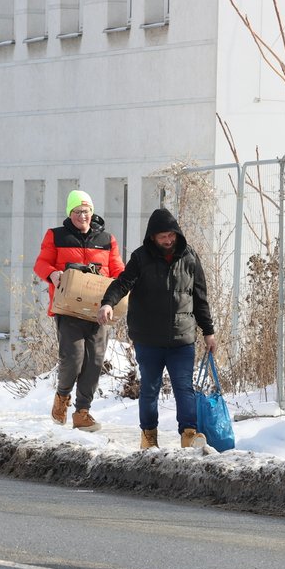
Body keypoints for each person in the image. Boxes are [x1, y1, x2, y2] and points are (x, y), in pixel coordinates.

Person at [98, 208, 216, 449]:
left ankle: (189, 434)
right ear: (152, 237)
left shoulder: (189, 258)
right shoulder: (141, 258)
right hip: (149, 339)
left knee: (184, 388)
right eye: (163, 236)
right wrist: (108, 303)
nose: (168, 240)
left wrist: (209, 331)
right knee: (150, 389)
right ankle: (149, 435)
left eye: (171, 235)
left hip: (182, 338)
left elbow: (200, 298)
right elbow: (122, 284)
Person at [34, 190, 124, 432]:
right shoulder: (56, 236)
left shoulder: (107, 239)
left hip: (99, 311)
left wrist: (121, 292)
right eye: (77, 212)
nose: (82, 216)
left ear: (92, 212)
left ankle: (82, 412)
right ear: (69, 213)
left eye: (86, 211)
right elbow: (41, 264)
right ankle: (62, 397)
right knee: (73, 359)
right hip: (69, 309)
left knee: (94, 362)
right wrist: (52, 274)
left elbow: (118, 271)